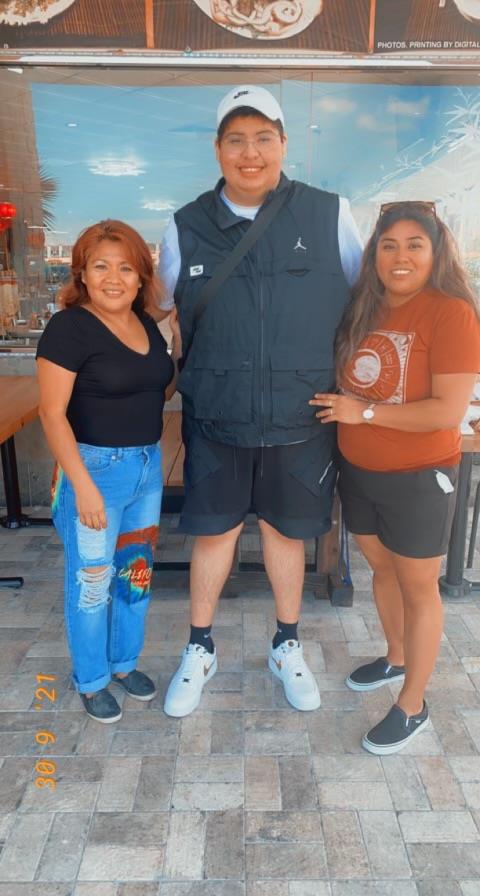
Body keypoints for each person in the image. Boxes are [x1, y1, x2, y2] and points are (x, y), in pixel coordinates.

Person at [153, 84, 363, 717]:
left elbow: (365, 307)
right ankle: (199, 648)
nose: (251, 153)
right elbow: (153, 310)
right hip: (217, 417)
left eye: (263, 138)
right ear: (218, 149)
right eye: (237, 140)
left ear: (284, 143)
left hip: (303, 417)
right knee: (212, 535)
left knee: (286, 535)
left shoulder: (330, 214)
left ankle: (286, 644)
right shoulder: (185, 225)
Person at [310, 200, 480, 754]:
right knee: (382, 569)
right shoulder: (364, 307)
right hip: (359, 471)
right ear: (374, 254)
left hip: (419, 476)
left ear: (436, 252)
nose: (400, 256)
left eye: (414, 245)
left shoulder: (451, 312)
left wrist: (363, 412)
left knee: (418, 586)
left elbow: (445, 411)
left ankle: (413, 705)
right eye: (389, 245)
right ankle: (396, 657)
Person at [36, 220, 180, 723]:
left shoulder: (144, 324)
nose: (113, 278)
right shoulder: (69, 328)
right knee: (92, 584)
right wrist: (83, 487)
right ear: (82, 273)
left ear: (141, 277)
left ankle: (123, 663)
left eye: (125, 268)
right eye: (101, 266)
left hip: (145, 468)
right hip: (94, 471)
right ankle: (92, 679)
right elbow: (52, 414)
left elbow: (156, 388)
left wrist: (179, 342)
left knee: (134, 576)